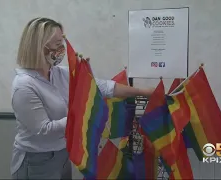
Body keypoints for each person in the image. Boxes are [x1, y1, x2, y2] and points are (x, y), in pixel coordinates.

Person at [10, 17, 155, 179]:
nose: (62, 49)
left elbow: (105, 87)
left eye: (62, 42)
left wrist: (144, 91)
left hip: (63, 153)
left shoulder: (61, 74)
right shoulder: (24, 85)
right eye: (57, 44)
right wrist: (83, 114)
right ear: (39, 47)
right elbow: (43, 130)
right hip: (36, 159)